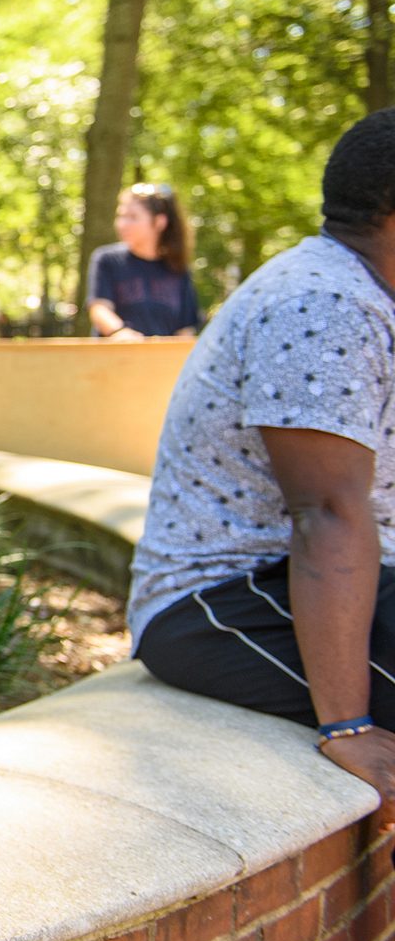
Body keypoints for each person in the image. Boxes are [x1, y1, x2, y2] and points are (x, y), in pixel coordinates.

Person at [130, 110, 395, 835]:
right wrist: (347, 726)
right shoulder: (325, 304)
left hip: (317, 576)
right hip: (220, 600)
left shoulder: (365, 294)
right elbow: (326, 514)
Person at [87, 183, 202, 338]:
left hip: (162, 354)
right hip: (116, 352)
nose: (122, 224)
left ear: (160, 222)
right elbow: (99, 308)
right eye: (120, 216)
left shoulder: (178, 268)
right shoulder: (107, 259)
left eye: (133, 217)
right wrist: (120, 333)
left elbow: (186, 328)